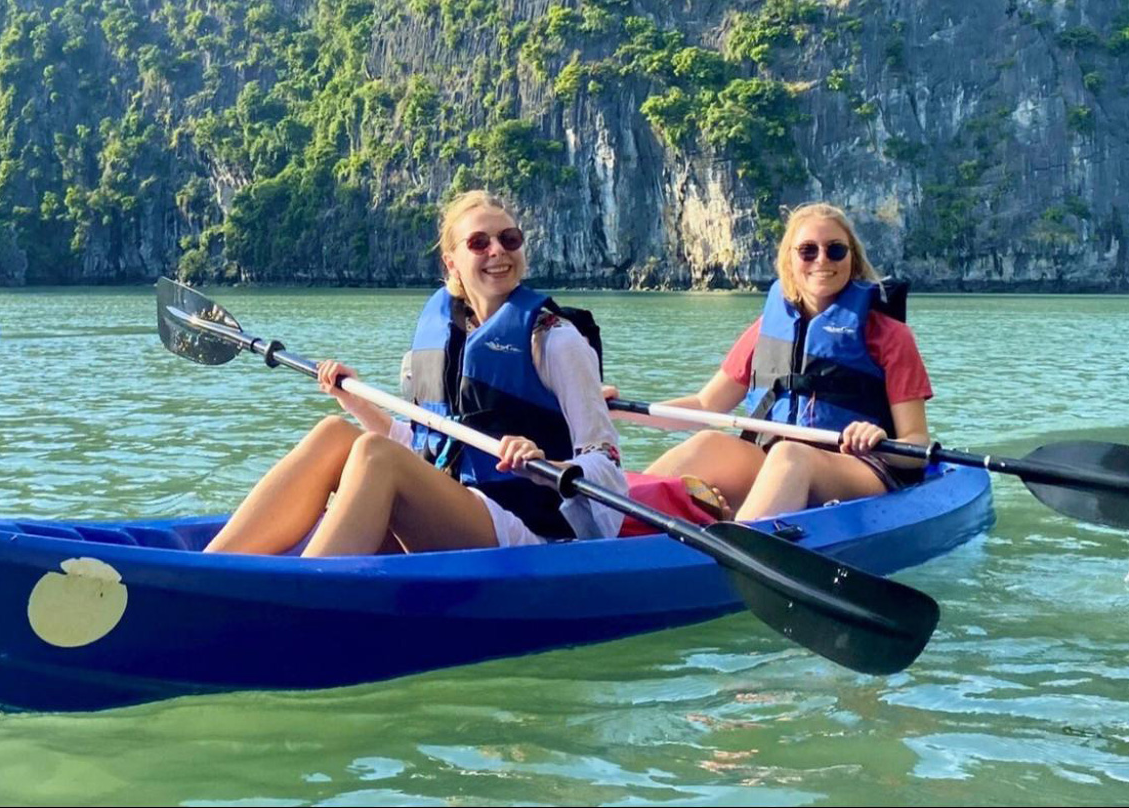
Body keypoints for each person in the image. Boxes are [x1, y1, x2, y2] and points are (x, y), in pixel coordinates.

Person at [205, 190, 629, 557]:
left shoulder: (556, 340)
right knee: (334, 432)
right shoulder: (445, 338)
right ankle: (211, 569)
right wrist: (354, 401)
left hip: (533, 532)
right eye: (479, 243)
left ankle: (297, 593)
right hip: (461, 506)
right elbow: (427, 450)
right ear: (452, 264)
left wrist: (541, 461)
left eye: (509, 239)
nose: (498, 250)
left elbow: (606, 464)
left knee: (375, 455)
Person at [637, 202, 933, 520]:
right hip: (774, 461)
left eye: (835, 250)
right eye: (807, 251)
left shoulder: (890, 335)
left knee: (791, 454)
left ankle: (738, 541)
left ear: (852, 257)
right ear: (789, 260)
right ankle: (608, 524)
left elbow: (916, 446)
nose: (822, 260)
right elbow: (706, 404)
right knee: (706, 442)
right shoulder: (765, 329)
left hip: (858, 469)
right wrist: (614, 410)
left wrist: (879, 440)